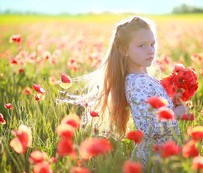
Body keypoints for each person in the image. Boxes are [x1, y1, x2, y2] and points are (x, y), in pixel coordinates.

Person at [59, 16, 188, 168]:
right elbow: (146, 127)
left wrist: (171, 104)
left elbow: (152, 113)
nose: (150, 50)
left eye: (152, 44)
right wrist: (177, 113)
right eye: (142, 45)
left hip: (163, 154)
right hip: (155, 159)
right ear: (124, 50)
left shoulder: (142, 79)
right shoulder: (136, 84)